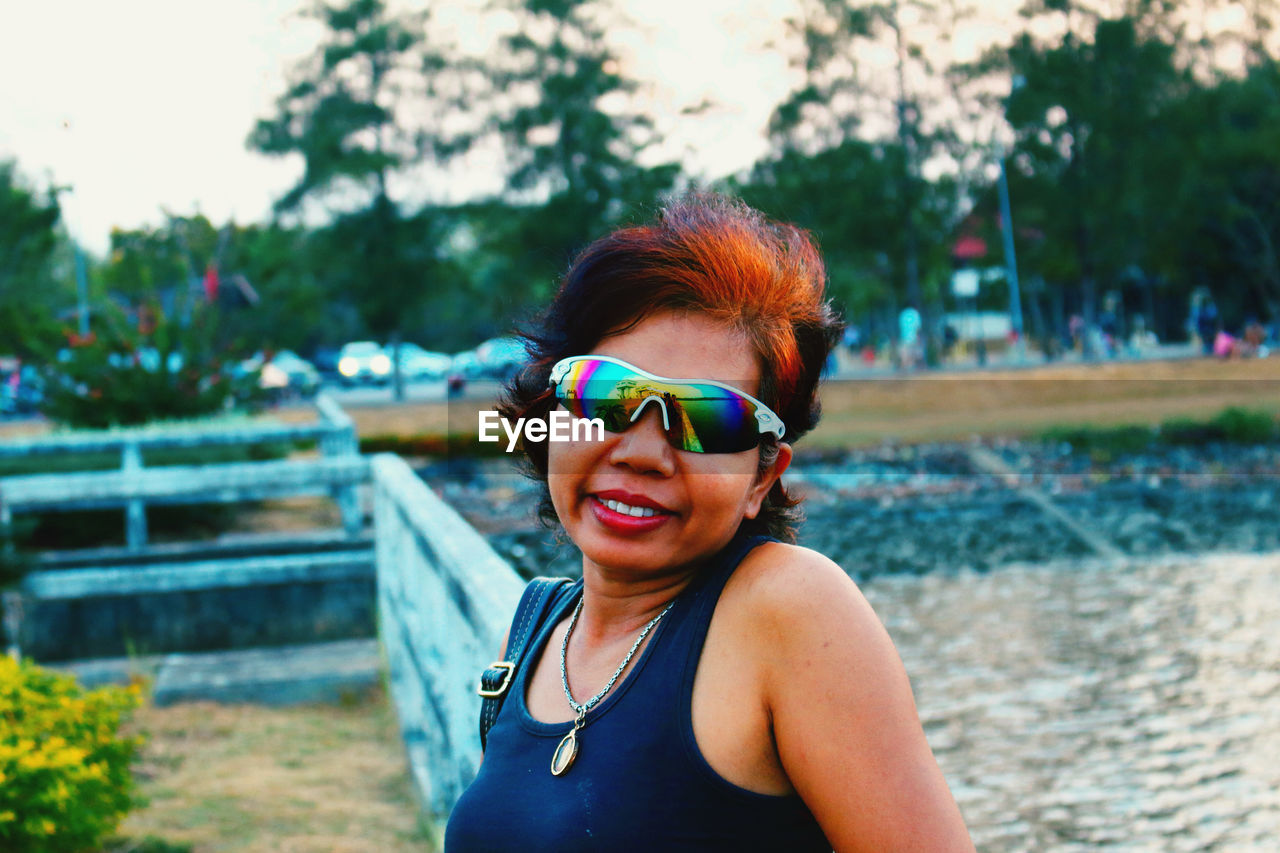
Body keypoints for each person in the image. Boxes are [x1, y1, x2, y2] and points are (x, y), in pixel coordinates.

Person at [444, 194, 973, 851]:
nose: (640, 452)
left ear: (761, 473)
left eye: (707, 418)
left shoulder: (789, 611)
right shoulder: (530, 631)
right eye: (606, 395)